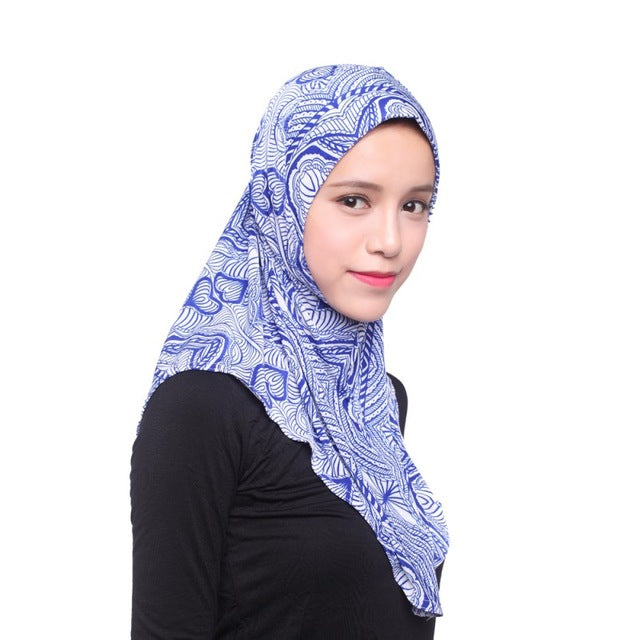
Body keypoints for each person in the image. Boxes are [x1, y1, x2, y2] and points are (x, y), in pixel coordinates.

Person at [131, 64, 449, 639]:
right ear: (281, 200)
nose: (391, 241)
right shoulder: (201, 407)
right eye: (354, 200)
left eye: (414, 206)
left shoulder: (378, 399)